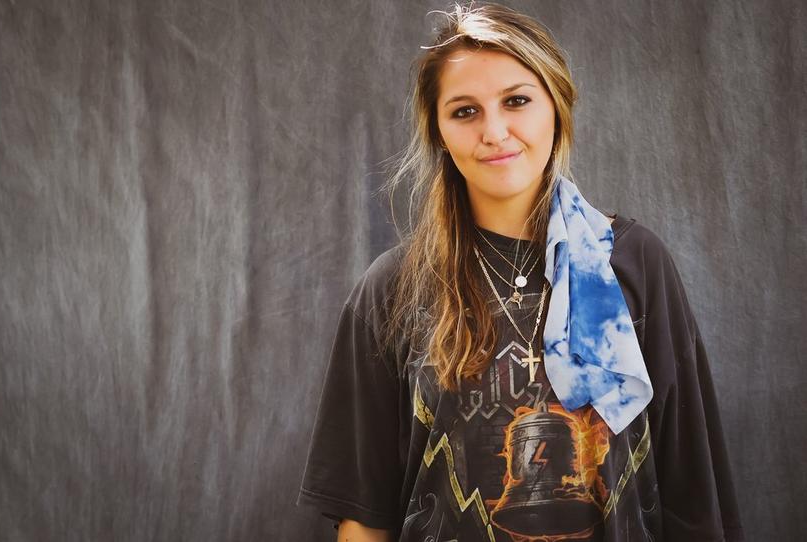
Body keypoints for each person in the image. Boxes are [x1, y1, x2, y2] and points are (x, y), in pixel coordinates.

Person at [296, 3, 744, 541]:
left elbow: (693, 488)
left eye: (516, 101)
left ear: (556, 107)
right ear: (439, 132)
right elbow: (365, 517)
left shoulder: (632, 263)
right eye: (465, 111)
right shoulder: (391, 289)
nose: (494, 131)